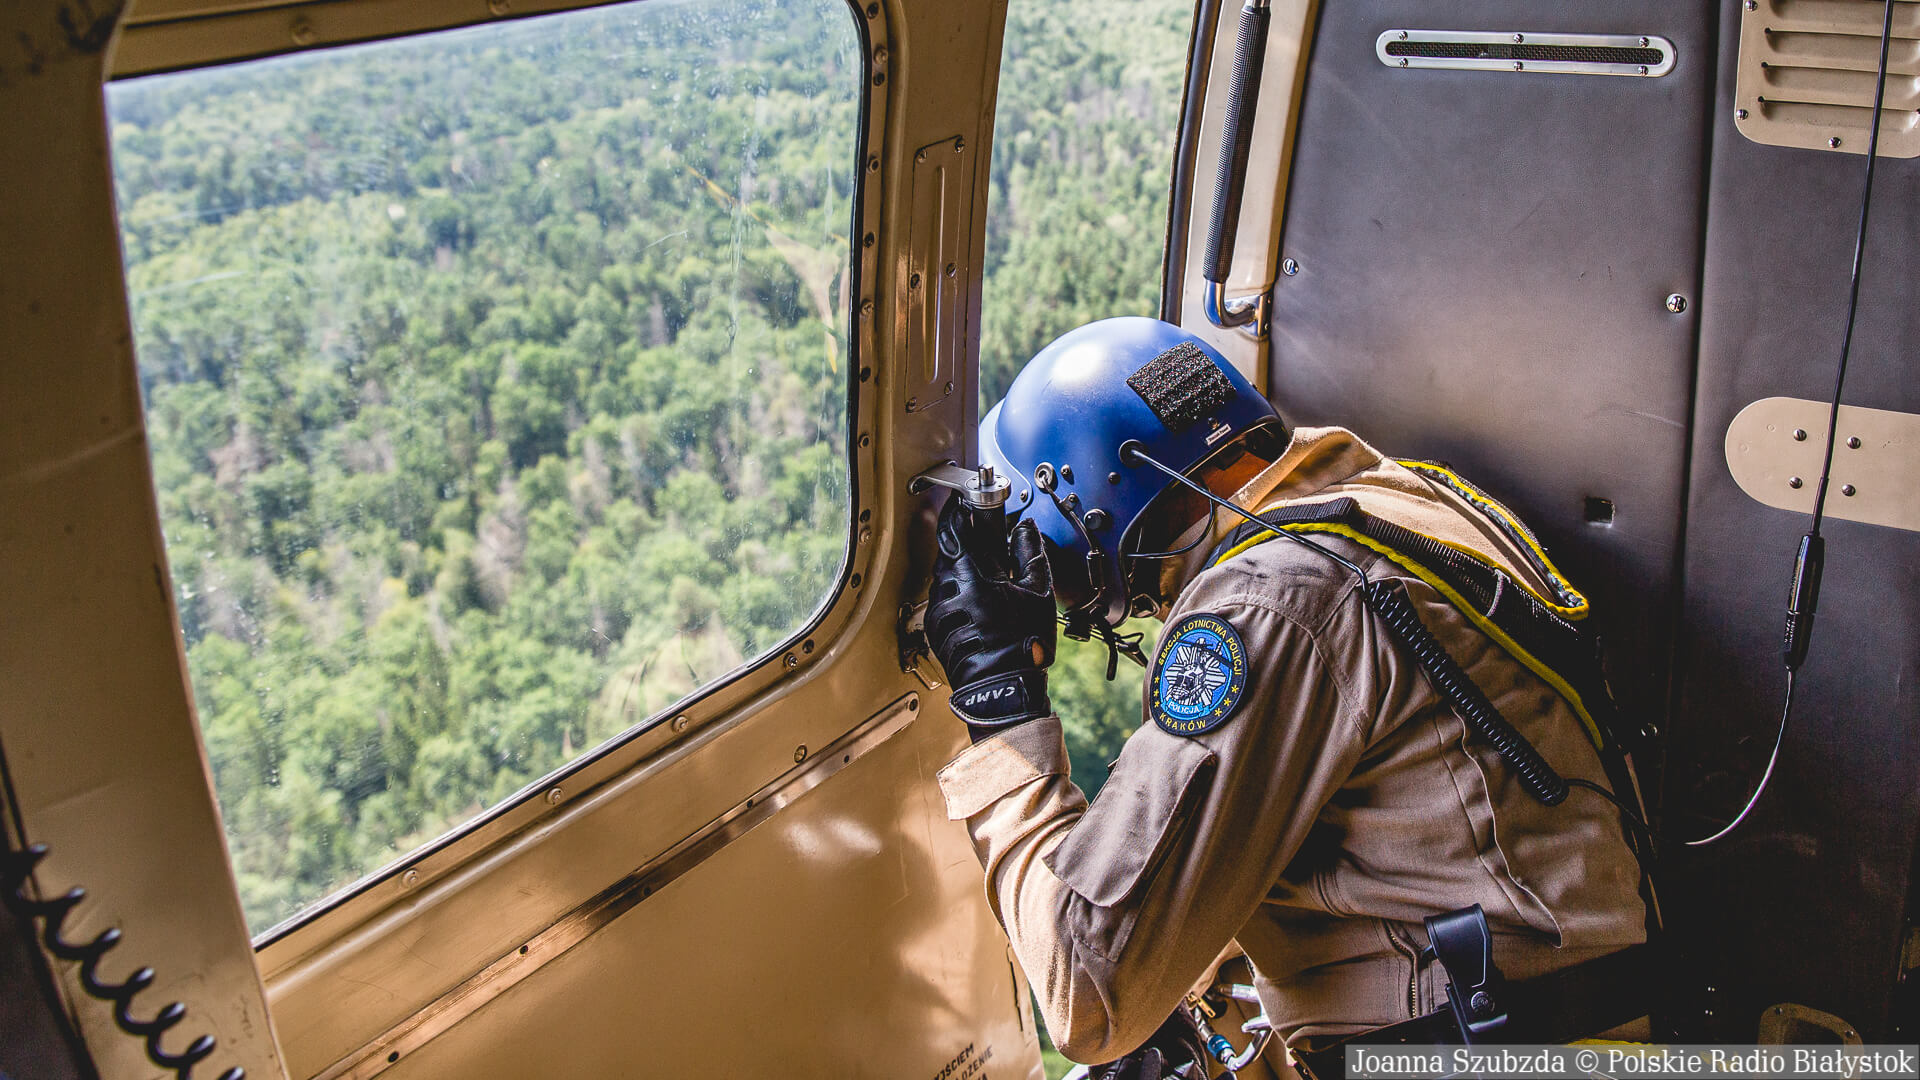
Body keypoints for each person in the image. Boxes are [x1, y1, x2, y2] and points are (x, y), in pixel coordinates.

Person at [924, 317, 1648, 1078]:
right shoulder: (1401, 501)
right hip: (1568, 1021)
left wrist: (1000, 704)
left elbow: (1088, 993)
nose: (1117, 606)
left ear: (1093, 510)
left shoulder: (1268, 604)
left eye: (1069, 568)